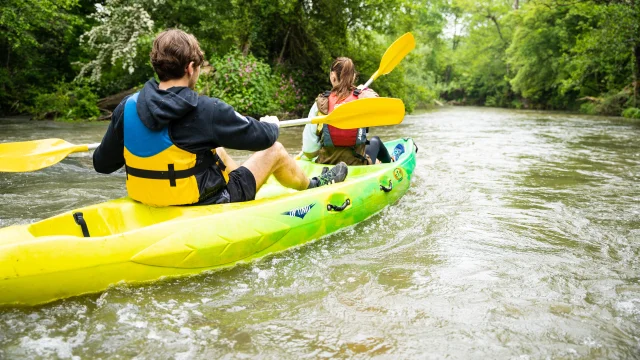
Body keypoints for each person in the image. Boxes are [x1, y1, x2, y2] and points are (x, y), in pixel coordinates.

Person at [93, 29, 347, 207]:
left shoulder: (126, 107)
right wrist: (272, 124)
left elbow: (102, 164)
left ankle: (247, 180)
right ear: (190, 68)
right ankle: (313, 185)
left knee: (214, 146)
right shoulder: (207, 110)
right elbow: (263, 138)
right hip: (205, 201)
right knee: (277, 150)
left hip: (148, 197)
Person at [301, 57, 402, 165]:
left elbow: (309, 150)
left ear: (332, 77)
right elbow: (381, 109)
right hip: (357, 163)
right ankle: (390, 162)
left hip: (326, 163)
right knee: (375, 141)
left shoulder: (320, 104)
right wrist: (365, 91)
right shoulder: (362, 100)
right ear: (353, 77)